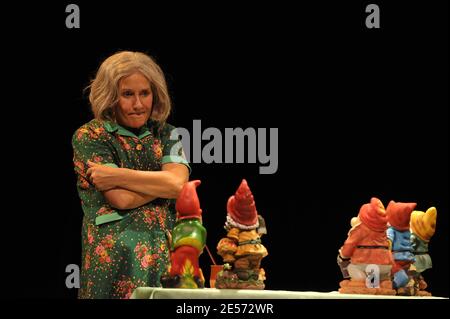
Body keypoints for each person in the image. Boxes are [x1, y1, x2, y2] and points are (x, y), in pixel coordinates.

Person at [72, 51, 190, 299]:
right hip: (115, 260)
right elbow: (121, 200)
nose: (138, 104)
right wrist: (161, 184)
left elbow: (179, 186)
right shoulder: (90, 136)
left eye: (144, 93)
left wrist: (117, 175)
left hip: (166, 254)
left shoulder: (169, 134)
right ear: (110, 96)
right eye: (127, 94)